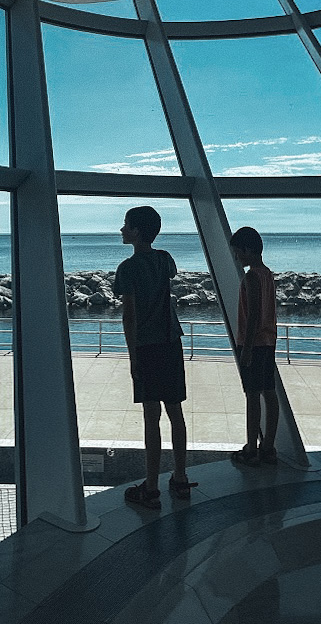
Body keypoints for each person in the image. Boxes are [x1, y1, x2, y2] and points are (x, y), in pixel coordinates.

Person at [113, 206, 197, 508]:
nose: (121, 230)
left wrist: (132, 357)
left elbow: (129, 317)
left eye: (126, 226)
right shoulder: (165, 260)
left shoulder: (127, 268)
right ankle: (181, 477)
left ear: (136, 231)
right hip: (171, 341)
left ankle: (151, 486)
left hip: (147, 347)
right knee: (176, 412)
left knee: (152, 417)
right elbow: (167, 281)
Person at [229, 226, 279, 467]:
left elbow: (252, 317)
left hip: (254, 345)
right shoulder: (267, 273)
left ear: (247, 250)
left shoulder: (250, 277)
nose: (236, 258)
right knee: (269, 394)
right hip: (269, 342)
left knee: (252, 396)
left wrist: (246, 349)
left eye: (237, 253)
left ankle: (251, 448)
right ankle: (268, 447)